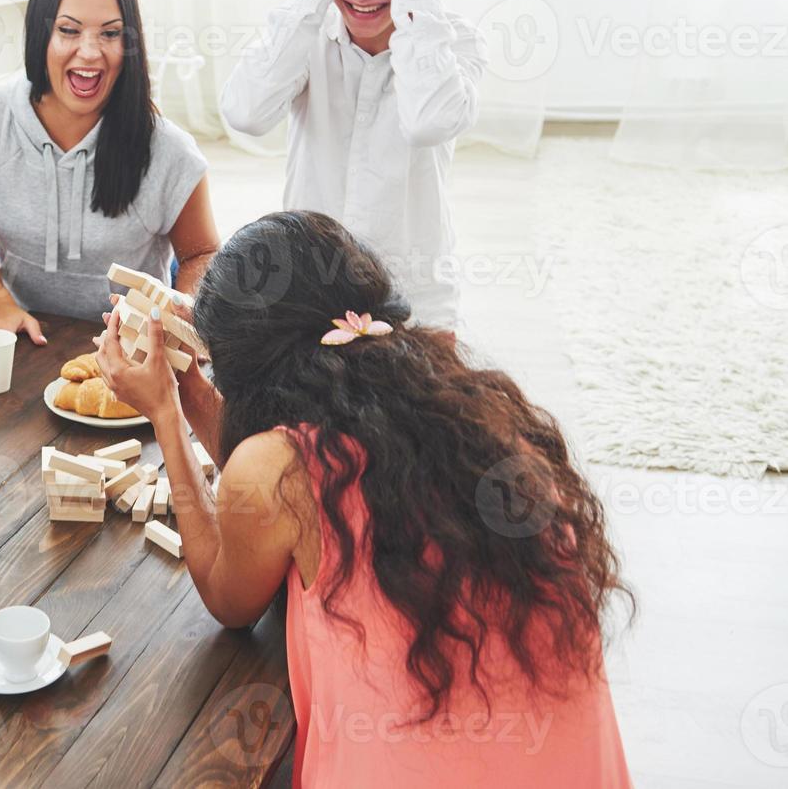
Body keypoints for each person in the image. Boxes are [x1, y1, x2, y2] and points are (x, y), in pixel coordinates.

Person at [94, 211, 632, 786]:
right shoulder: (474, 411)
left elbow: (230, 600)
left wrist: (167, 417)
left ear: (249, 373)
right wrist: (193, 387)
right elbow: (285, 502)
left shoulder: (279, 468)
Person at [220, 0, 487, 328]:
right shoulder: (306, 31)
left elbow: (429, 121)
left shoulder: (452, 41)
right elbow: (245, 113)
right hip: (308, 293)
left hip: (414, 300)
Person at [0, 0, 219, 346]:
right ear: (41, 34)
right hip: (19, 326)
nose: (90, 52)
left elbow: (202, 255)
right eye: (68, 30)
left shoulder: (170, 151)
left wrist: (176, 317)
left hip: (130, 344)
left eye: (110, 33)